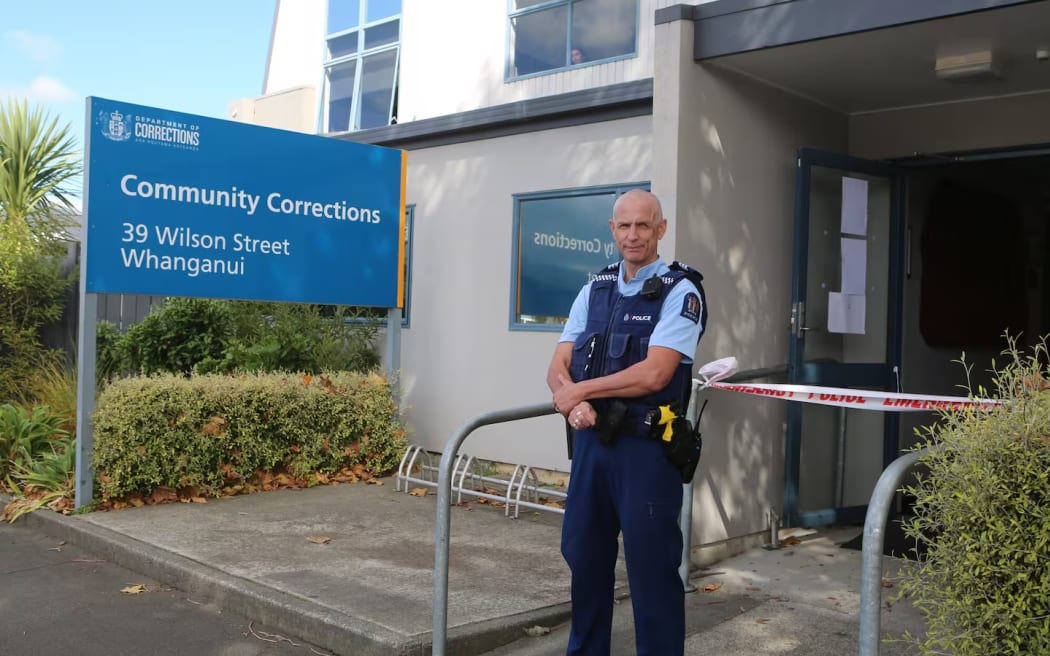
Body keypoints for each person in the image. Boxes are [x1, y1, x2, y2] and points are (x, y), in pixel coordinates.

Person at [547, 189, 705, 656]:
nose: (633, 235)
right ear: (612, 230)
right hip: (593, 445)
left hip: (646, 452)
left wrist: (581, 390)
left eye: (643, 225)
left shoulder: (681, 291)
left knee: (652, 572)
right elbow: (558, 363)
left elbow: (656, 373)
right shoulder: (593, 289)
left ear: (661, 229)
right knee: (585, 560)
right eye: (624, 226)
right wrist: (568, 399)